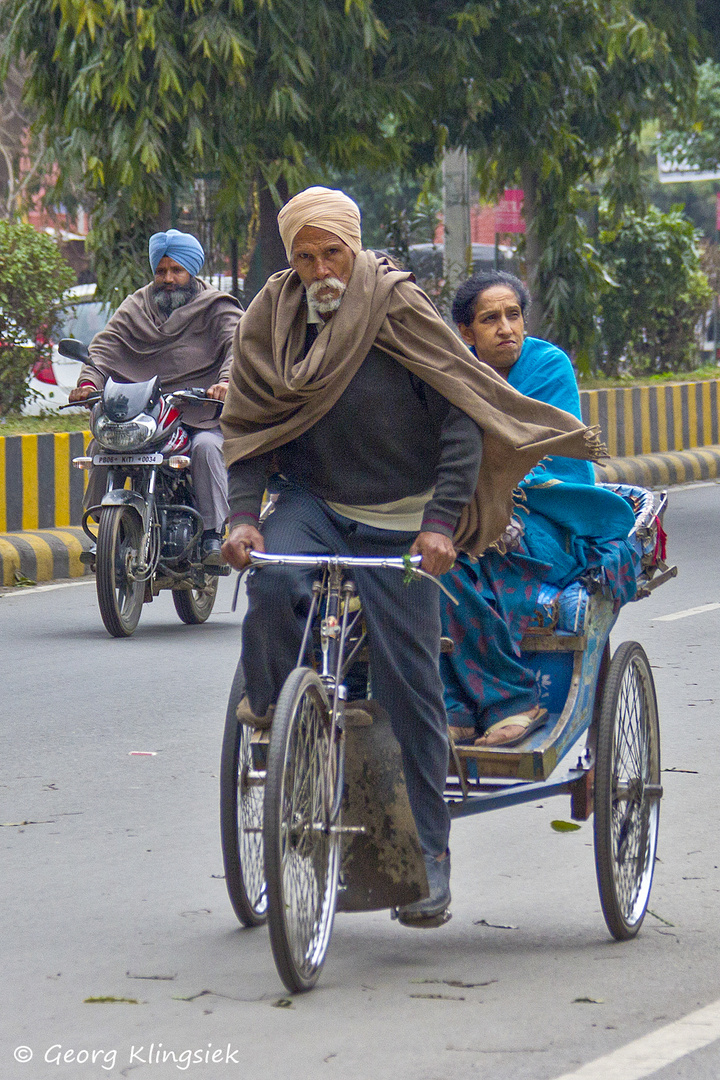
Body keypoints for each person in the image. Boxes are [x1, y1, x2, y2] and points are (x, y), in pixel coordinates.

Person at [219, 187, 604, 923]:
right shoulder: (271, 318)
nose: (320, 268)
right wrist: (242, 517)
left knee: (411, 683)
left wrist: (439, 522)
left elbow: (462, 421)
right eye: (306, 255)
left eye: (332, 252)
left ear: (354, 248)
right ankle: (276, 716)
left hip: (403, 516)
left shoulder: (399, 308)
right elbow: (250, 424)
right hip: (316, 502)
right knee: (270, 588)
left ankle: (429, 860)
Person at [441, 270, 637, 748]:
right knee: (435, 569)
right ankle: (456, 705)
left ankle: (509, 701)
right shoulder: (452, 374)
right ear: (466, 334)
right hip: (476, 510)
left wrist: (499, 502)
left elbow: (548, 454)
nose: (506, 327)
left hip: (551, 515)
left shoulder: (547, 365)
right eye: (490, 319)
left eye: (514, 315)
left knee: (472, 548)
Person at [69, 229, 243, 565]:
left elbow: (239, 345)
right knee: (102, 448)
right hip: (146, 412)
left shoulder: (217, 307)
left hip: (200, 410)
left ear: (192, 272)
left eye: (177, 270)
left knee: (207, 448)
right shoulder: (136, 304)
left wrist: (224, 382)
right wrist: (89, 381)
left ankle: (211, 534)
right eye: (161, 271)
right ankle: (102, 529)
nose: (169, 279)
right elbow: (106, 346)